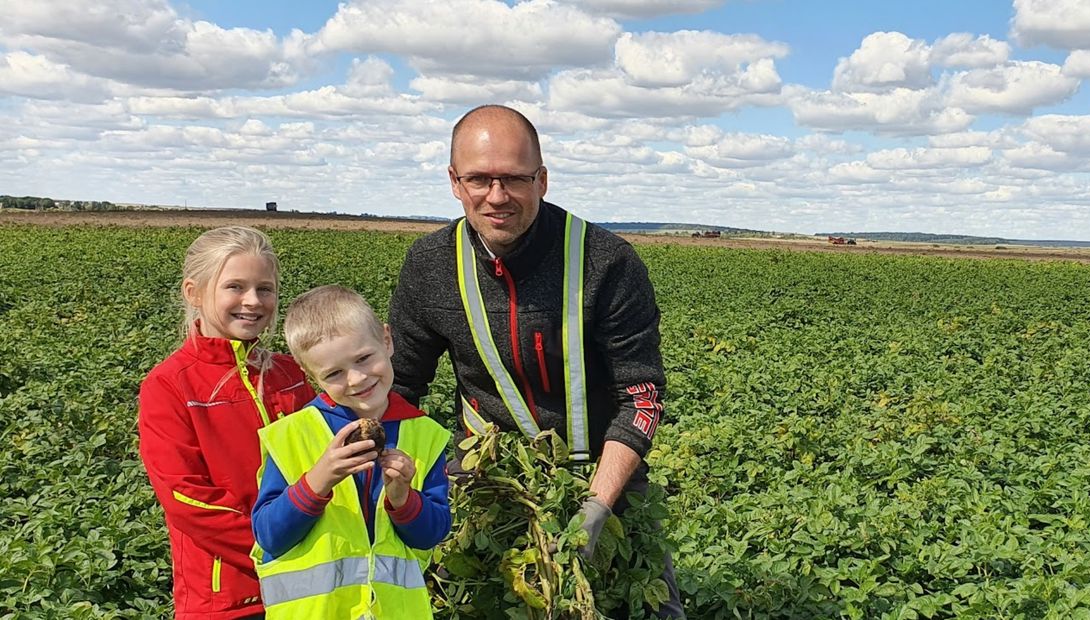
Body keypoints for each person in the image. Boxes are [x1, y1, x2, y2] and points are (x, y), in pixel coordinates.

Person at [388, 104, 685, 618]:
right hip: (488, 477)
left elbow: (641, 397)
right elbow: (399, 388)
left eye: (514, 179)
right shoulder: (430, 265)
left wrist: (596, 507)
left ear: (542, 180)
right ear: (454, 182)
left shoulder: (606, 262)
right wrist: (394, 482)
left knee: (646, 604)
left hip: (603, 474)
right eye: (480, 178)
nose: (496, 196)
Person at [138, 226, 316, 620]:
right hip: (226, 598)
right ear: (194, 293)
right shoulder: (169, 385)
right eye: (235, 287)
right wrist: (274, 542)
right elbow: (187, 498)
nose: (252, 302)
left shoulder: (291, 374)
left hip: (308, 587)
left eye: (264, 289)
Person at [251, 285, 451, 619]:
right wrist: (318, 480)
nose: (357, 379)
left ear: (386, 341)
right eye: (334, 373)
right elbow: (270, 536)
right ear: (310, 375)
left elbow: (433, 534)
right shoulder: (291, 435)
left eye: (363, 358)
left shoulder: (425, 434)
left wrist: (403, 498)